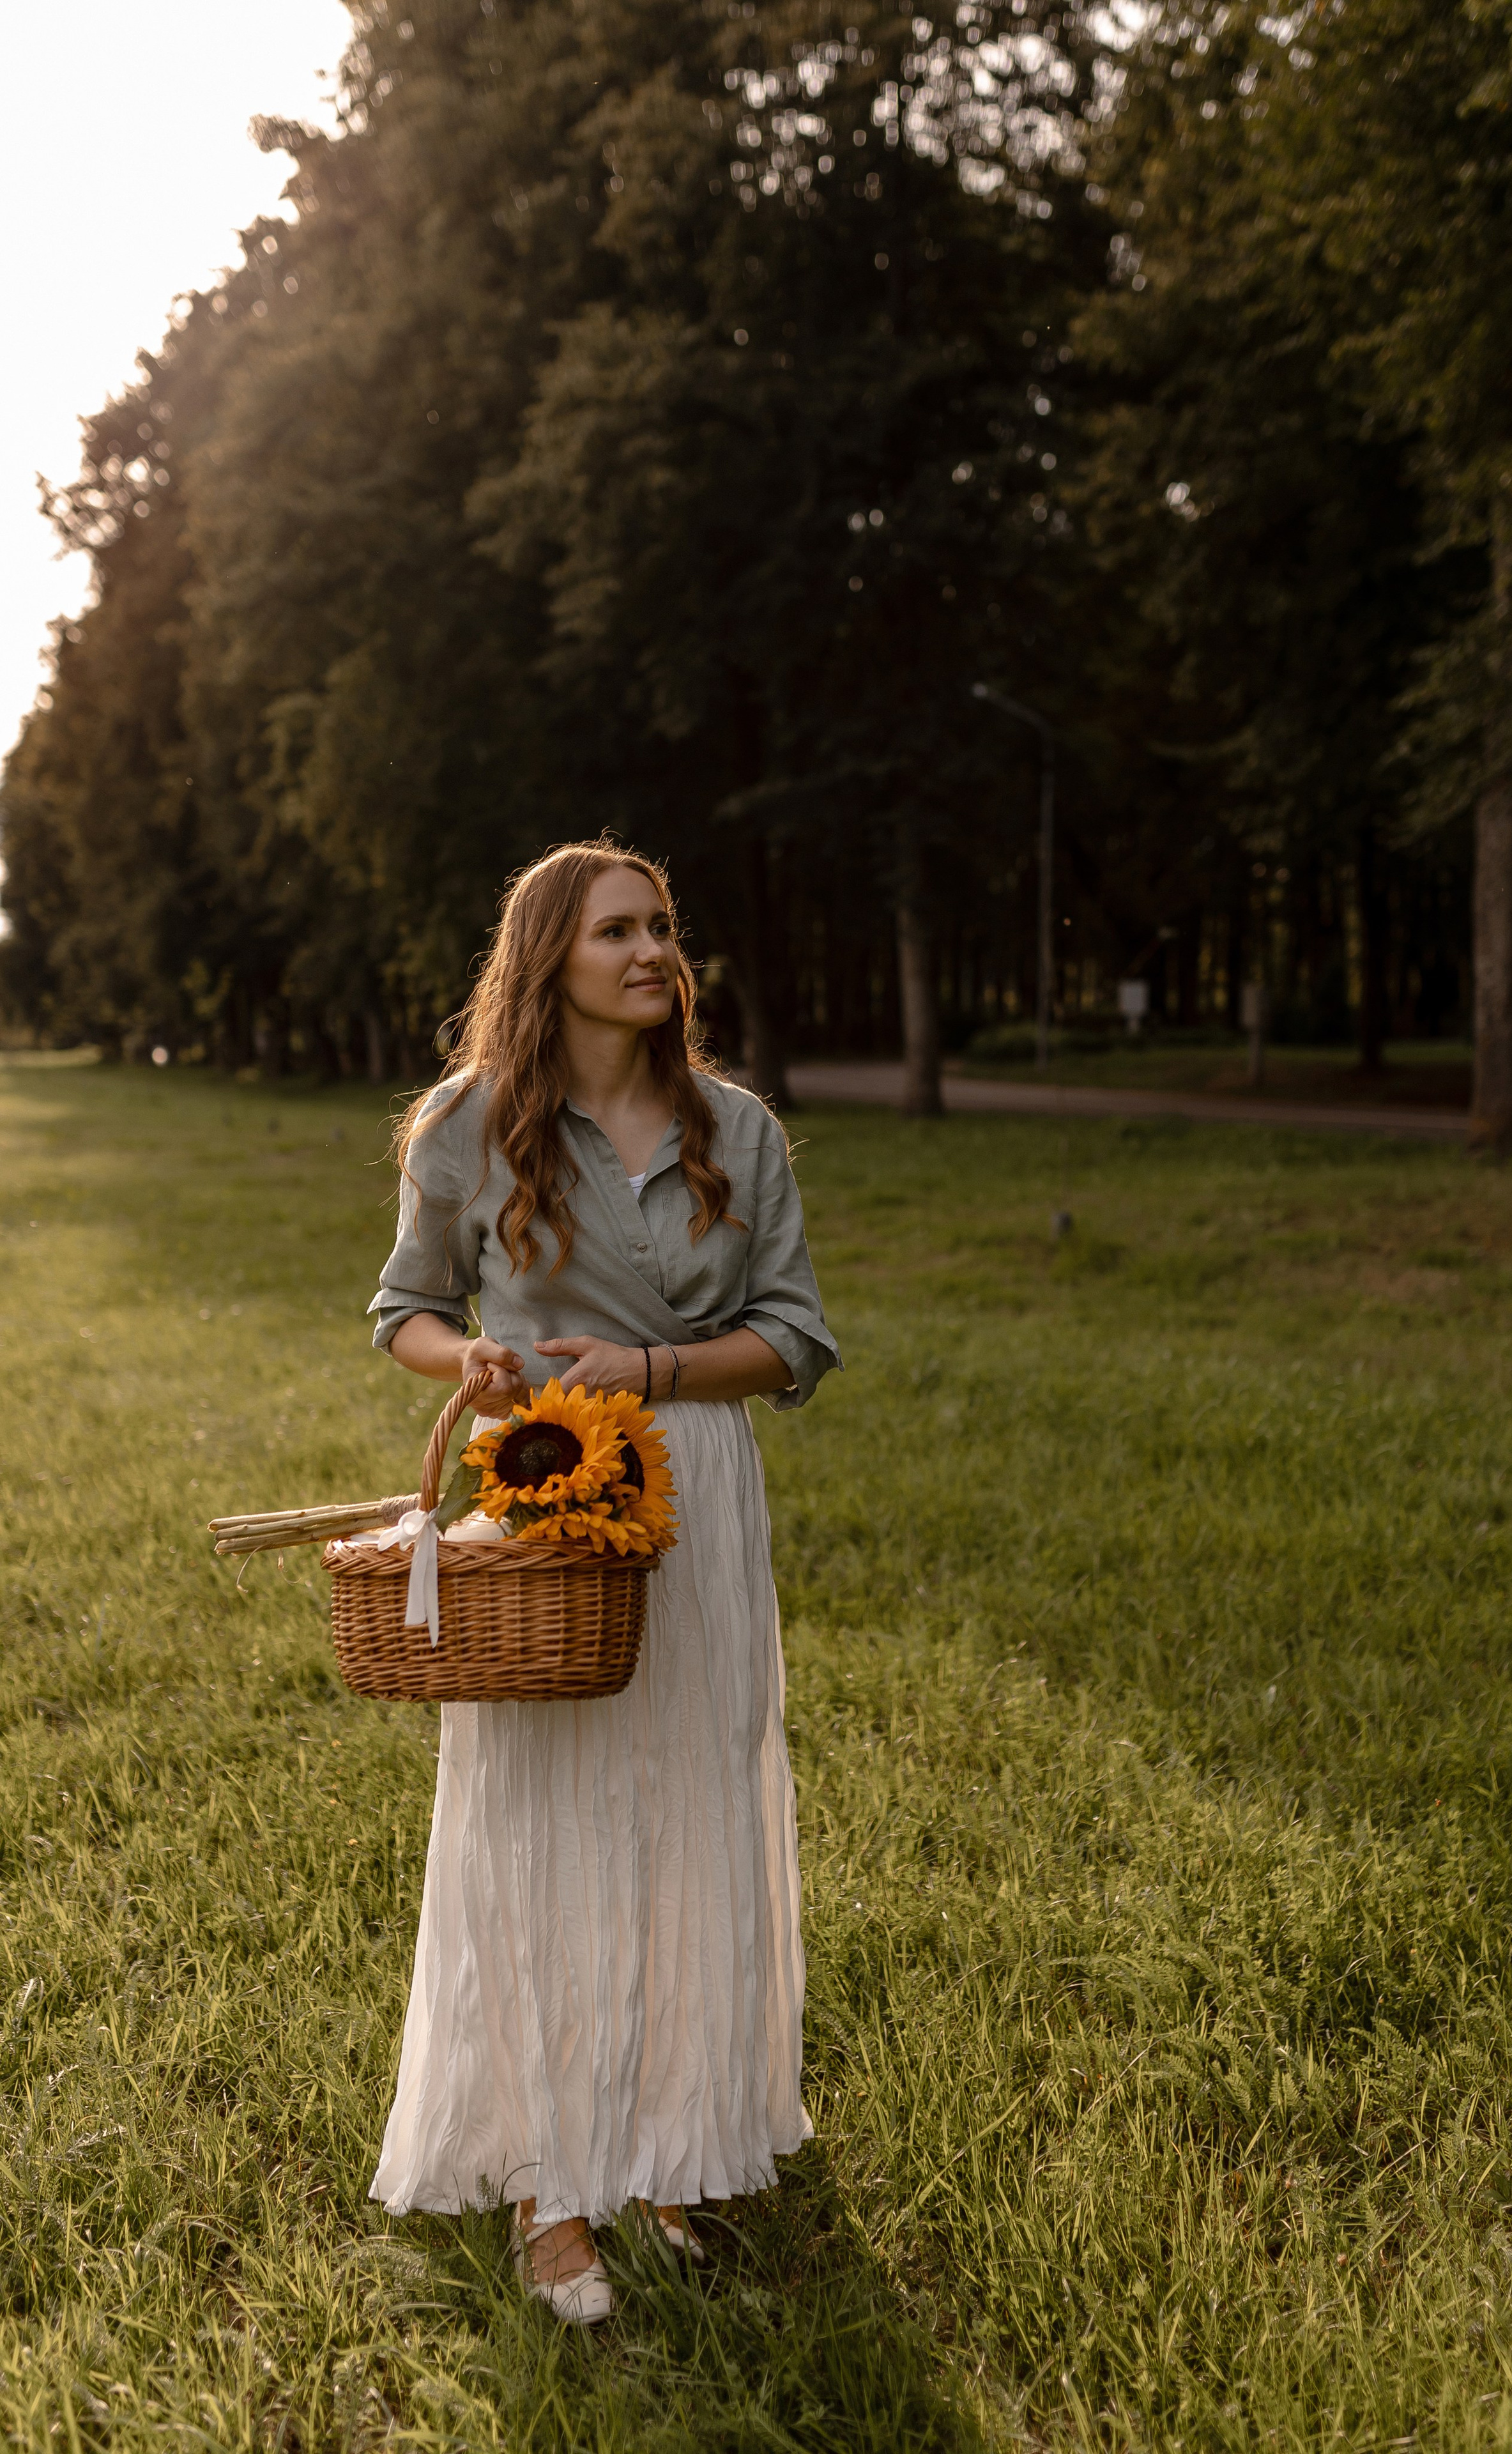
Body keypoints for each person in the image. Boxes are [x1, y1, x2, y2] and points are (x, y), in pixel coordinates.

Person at [367, 839, 838, 2322]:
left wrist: (652, 1366)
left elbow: (795, 1337)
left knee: (688, 1803)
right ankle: (547, 2182)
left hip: (699, 1491)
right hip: (548, 1490)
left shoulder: (735, 1129)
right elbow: (404, 1309)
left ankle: (665, 2149)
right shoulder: (465, 1125)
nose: (651, 952)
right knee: (543, 1820)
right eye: (616, 931)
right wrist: (472, 1358)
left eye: (661, 926)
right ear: (547, 958)